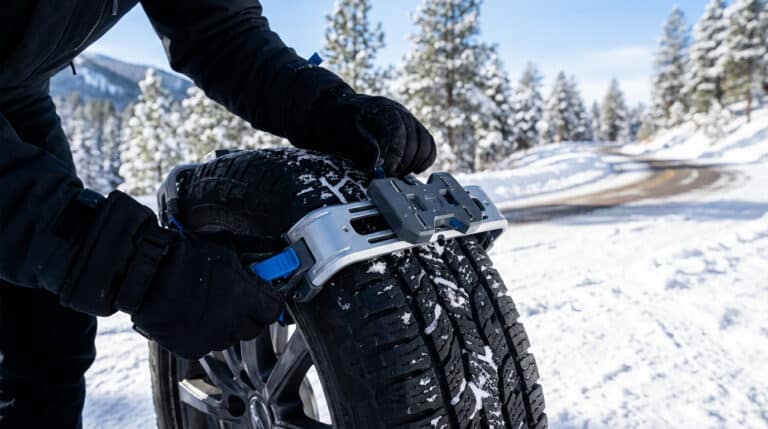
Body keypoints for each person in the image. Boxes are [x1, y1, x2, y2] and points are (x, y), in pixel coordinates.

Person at [0, 1, 436, 427]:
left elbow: (219, 31)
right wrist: (138, 267)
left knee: (48, 329)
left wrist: (328, 108)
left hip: (16, 85)